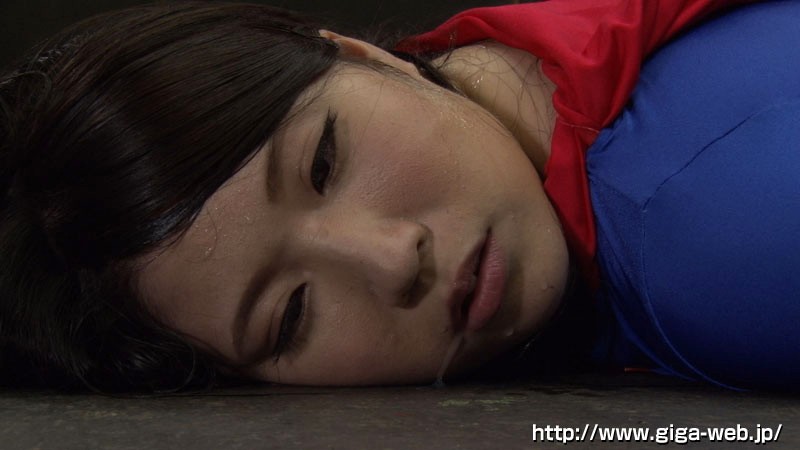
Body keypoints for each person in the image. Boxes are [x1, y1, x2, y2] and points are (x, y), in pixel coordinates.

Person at [0, 0, 797, 393]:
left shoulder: (716, 246)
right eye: (291, 316)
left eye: (324, 162)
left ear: (360, 56)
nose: (393, 259)